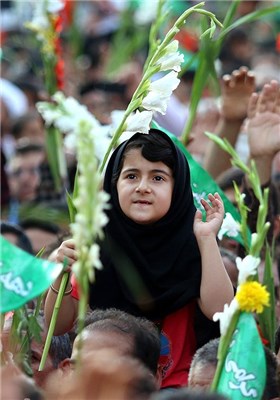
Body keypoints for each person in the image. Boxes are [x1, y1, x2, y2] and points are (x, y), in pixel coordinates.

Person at [44, 129, 234, 388]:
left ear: (177, 188)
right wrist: (63, 273)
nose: (143, 187)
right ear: (114, 184)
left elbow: (220, 312)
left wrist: (206, 239)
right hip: (104, 387)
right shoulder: (97, 244)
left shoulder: (195, 246)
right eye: (131, 176)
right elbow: (58, 325)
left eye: (158, 178)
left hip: (174, 389)